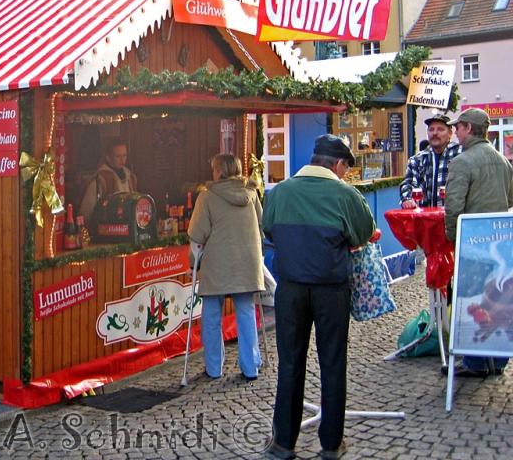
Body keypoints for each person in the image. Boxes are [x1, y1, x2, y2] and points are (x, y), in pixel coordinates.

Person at [263, 135, 376, 460]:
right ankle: (331, 444)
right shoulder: (345, 194)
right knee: (333, 362)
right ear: (338, 164)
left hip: (291, 289)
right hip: (331, 289)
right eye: (345, 168)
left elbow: (269, 230)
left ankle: (283, 442)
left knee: (290, 363)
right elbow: (364, 233)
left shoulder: (280, 192)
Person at [444, 108, 513, 378]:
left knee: (471, 298)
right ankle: (498, 360)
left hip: (473, 242)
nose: (455, 132)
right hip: (500, 244)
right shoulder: (503, 161)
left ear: (469, 129)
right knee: (499, 298)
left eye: (458, 127)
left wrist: (454, 238)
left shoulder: (462, 162)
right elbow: (510, 199)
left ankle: (474, 361)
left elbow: (453, 207)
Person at [187, 154, 265, 381]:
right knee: (246, 311)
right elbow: (261, 225)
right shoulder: (251, 194)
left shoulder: (207, 197)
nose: (212, 173)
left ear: (220, 171)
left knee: (212, 314)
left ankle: (214, 368)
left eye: (214, 169)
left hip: (217, 263)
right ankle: (250, 367)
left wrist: (193, 264)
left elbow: (197, 235)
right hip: (247, 262)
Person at [400, 114, 460, 209]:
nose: (435, 133)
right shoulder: (417, 159)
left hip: (453, 215)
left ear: (450, 133)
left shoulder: (460, 154)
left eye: (440, 129)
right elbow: (408, 183)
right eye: (431, 129)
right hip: (425, 216)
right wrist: (407, 198)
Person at [79, 139, 138, 221]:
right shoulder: (100, 179)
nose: (122, 160)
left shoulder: (130, 177)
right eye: (118, 156)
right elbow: (86, 210)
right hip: (109, 225)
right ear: (108, 157)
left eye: (124, 155)